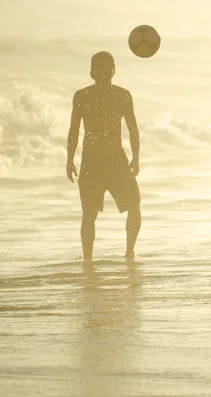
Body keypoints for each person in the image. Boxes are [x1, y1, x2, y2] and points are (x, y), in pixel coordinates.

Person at [66, 51, 142, 263]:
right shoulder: (81, 96)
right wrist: (69, 158)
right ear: (92, 71)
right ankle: (88, 259)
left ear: (113, 70)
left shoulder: (122, 95)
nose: (104, 71)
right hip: (91, 163)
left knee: (135, 209)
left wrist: (136, 157)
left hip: (117, 160)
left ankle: (129, 254)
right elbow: (74, 130)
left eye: (108, 66)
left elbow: (133, 129)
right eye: (100, 67)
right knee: (89, 214)